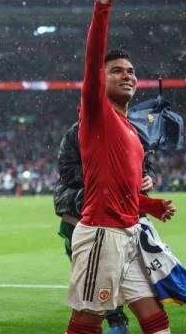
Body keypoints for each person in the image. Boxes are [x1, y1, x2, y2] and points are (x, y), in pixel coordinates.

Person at [65, 0, 177, 334]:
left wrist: (151, 206)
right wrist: (102, 8)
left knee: (154, 316)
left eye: (131, 71)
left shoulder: (131, 131)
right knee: (88, 319)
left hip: (129, 233)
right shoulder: (97, 115)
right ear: (100, 80)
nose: (127, 75)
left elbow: (120, 190)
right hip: (102, 233)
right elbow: (92, 58)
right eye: (117, 71)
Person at [54, 110, 156, 334]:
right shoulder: (78, 132)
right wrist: (112, 175)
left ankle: (116, 321)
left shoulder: (132, 131)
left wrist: (147, 178)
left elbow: (145, 166)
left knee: (125, 278)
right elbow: (67, 171)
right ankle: (113, 321)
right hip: (83, 218)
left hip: (123, 219)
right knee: (91, 284)